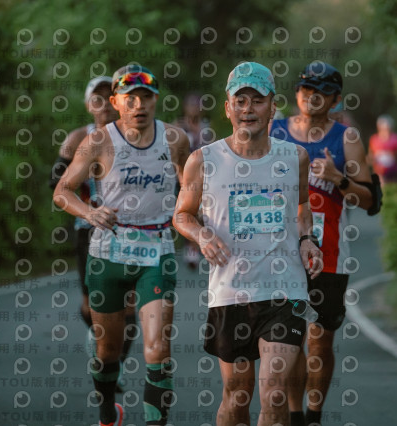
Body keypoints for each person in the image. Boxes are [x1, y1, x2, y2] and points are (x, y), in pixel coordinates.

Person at [173, 61, 323, 426]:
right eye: (240, 101)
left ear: (273, 107)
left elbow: (302, 208)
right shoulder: (203, 160)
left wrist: (307, 239)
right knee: (237, 395)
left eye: (257, 100)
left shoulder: (295, 158)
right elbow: (182, 215)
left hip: (285, 290)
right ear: (227, 108)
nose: (248, 109)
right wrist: (202, 234)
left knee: (274, 393)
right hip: (231, 291)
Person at [54, 64, 190, 426]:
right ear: (115, 102)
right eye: (130, 98)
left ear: (156, 100)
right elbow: (62, 191)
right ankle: (107, 413)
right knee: (108, 350)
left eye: (146, 97)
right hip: (108, 255)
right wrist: (89, 212)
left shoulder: (175, 139)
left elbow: (192, 189)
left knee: (158, 349)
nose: (139, 105)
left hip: (157, 252)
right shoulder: (97, 141)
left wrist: (197, 222)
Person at [270, 61, 382, 426]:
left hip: (329, 254)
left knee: (319, 341)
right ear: (297, 93)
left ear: (335, 99)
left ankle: (314, 416)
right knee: (289, 340)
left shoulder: (346, 138)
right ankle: (295, 415)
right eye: (307, 89)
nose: (312, 96)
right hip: (281, 253)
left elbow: (369, 201)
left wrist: (339, 179)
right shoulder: (275, 131)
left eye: (322, 91)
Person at [49, 77, 137, 378]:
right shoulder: (77, 138)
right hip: (88, 227)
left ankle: (116, 363)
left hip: (128, 228)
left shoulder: (134, 137)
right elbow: (55, 182)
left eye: (108, 99)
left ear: (117, 103)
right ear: (89, 106)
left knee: (129, 303)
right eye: (96, 100)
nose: (104, 107)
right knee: (91, 305)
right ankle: (100, 339)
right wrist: (87, 183)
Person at [172, 94, 211, 269]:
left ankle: (196, 247)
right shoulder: (178, 125)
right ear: (185, 107)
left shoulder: (206, 127)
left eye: (198, 105)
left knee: (201, 212)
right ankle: (189, 248)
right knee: (185, 211)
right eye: (192, 105)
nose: (195, 108)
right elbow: (173, 152)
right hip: (181, 175)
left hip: (202, 175)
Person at [368, 114, 397, 184]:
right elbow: (370, 155)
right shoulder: (374, 139)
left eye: (386, 129)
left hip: (392, 169)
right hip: (378, 169)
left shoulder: (396, 139)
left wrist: (393, 153)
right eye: (382, 129)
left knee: (393, 183)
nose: (385, 131)